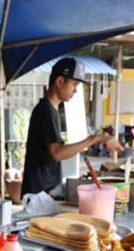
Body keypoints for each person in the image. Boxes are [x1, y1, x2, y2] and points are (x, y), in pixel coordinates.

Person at [21, 58, 123, 196]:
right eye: (74, 84)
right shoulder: (45, 110)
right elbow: (57, 153)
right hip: (39, 195)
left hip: (46, 191)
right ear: (60, 81)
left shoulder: (51, 110)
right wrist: (94, 139)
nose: (75, 91)